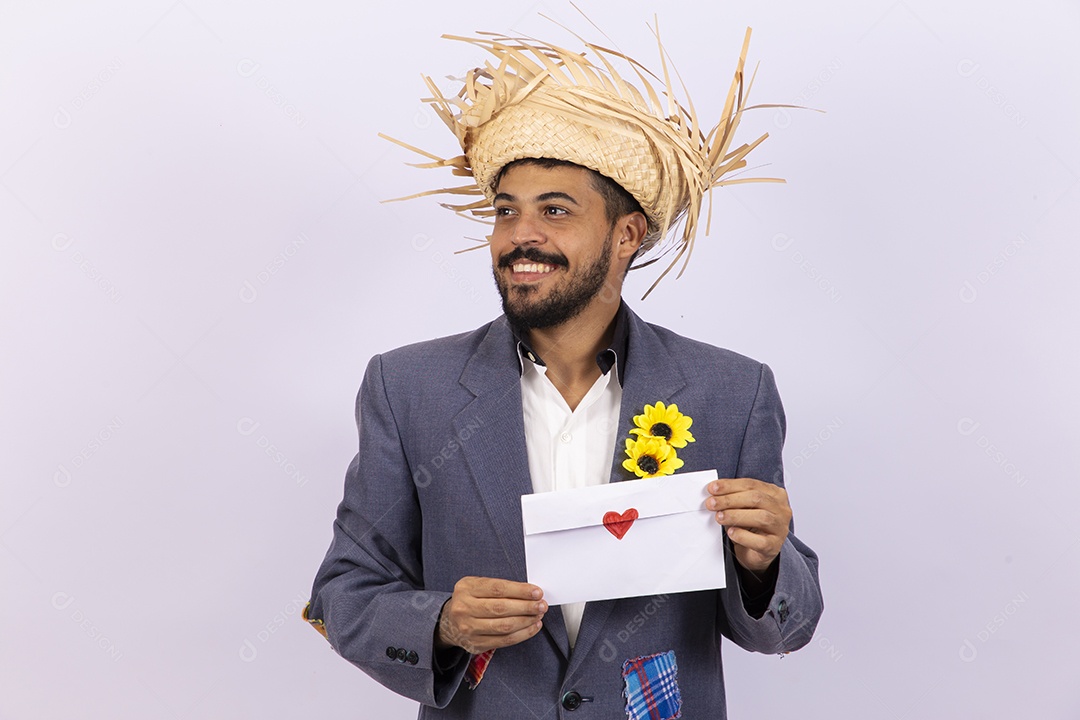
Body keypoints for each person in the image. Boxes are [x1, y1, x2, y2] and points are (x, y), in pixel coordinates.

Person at [305, 23, 823, 720]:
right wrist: (443, 624)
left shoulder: (733, 391)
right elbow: (344, 594)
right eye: (507, 212)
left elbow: (787, 625)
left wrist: (764, 565)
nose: (522, 235)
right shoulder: (407, 389)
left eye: (555, 211)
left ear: (626, 235)